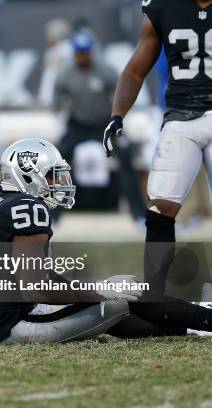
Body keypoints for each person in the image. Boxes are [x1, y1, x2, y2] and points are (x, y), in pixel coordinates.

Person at [0, 138, 212, 344]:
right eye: (50, 175)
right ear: (26, 174)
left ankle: (193, 324)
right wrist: (99, 290)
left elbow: (33, 276)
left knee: (111, 307)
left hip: (2, 317)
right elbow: (36, 288)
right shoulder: (26, 209)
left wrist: (95, 289)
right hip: (18, 323)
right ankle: (206, 318)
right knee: (127, 293)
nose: (57, 183)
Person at [103, 0, 212, 295]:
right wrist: (116, 116)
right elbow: (136, 70)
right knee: (161, 205)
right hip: (180, 117)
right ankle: (154, 297)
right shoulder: (165, 6)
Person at [54, 31, 145, 219]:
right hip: (78, 124)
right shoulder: (65, 74)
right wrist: (62, 114)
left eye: (85, 52)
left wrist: (118, 118)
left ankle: (138, 213)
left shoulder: (106, 71)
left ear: (91, 52)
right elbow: (56, 101)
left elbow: (122, 95)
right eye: (79, 52)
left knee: (126, 157)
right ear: (74, 53)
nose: (82, 56)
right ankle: (53, 214)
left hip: (104, 125)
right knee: (59, 161)